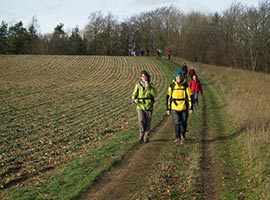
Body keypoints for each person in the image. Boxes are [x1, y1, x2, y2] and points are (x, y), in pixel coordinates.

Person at [166, 71, 193, 144]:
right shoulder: (171, 86)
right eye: (177, 76)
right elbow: (168, 97)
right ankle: (177, 137)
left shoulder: (185, 85)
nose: (179, 78)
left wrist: (191, 107)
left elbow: (190, 96)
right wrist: (168, 108)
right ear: (175, 77)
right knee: (177, 122)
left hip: (184, 107)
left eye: (180, 76)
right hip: (174, 107)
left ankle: (183, 134)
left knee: (184, 121)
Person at [132, 70, 157, 143]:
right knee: (141, 120)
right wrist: (134, 99)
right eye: (143, 76)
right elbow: (134, 95)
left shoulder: (151, 85)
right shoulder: (138, 85)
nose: (144, 78)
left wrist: (148, 87)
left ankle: (146, 135)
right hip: (140, 105)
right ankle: (141, 133)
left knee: (148, 121)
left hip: (149, 106)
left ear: (147, 77)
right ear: (141, 77)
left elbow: (154, 94)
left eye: (145, 76)